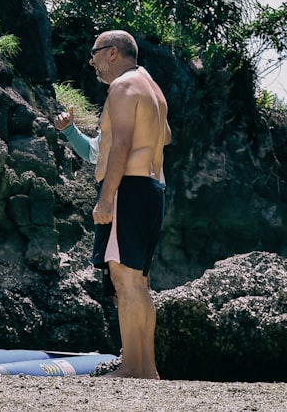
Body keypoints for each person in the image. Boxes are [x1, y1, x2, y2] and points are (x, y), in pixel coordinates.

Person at [87, 30, 170, 380]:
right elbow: (165, 137)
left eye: (95, 53)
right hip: (153, 187)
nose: (91, 61)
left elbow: (121, 144)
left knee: (125, 281)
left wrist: (106, 197)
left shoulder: (122, 87)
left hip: (128, 189)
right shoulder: (153, 90)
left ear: (113, 53)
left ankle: (132, 368)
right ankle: (145, 368)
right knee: (139, 282)